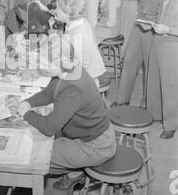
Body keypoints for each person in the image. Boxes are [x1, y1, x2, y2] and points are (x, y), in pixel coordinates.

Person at [15, 54, 116, 188]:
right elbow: (48, 93)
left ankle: (78, 170)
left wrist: (26, 113)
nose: (40, 65)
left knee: (36, 155)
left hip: (96, 146)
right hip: (89, 135)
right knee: (41, 144)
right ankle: (76, 167)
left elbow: (49, 128)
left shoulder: (73, 87)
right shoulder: (69, 72)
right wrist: (27, 103)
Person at [112, 0, 166, 108]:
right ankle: (122, 100)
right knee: (129, 59)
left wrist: (153, 23)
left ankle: (146, 104)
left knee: (150, 66)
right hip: (139, 22)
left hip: (154, 26)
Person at [147, 0, 178, 139]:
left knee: (171, 87)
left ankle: (171, 124)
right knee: (156, 82)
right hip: (159, 42)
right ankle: (158, 115)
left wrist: (168, 30)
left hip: (172, 45)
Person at [51, 0, 106, 85]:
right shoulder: (82, 21)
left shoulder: (75, 34)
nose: (54, 11)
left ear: (67, 10)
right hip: (91, 75)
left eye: (57, 7)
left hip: (84, 82)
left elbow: (63, 62)